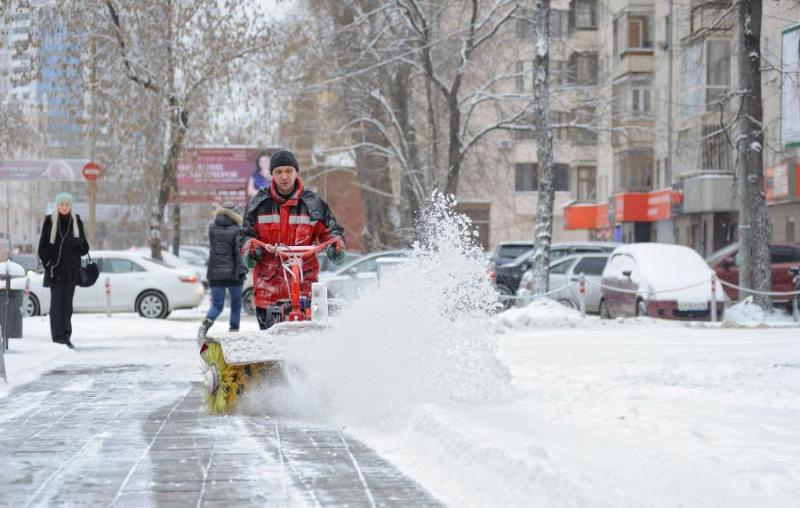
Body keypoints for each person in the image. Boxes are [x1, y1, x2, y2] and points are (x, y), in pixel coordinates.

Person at [241, 149, 347, 330]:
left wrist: (335, 246)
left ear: (296, 171)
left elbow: (331, 230)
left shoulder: (312, 203)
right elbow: (246, 235)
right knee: (271, 346)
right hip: (269, 292)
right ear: (272, 174)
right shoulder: (259, 203)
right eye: (278, 172)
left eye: (288, 171)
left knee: (306, 344)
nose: (284, 176)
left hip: (305, 288)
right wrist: (250, 250)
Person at [37, 192, 89, 349]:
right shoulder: (49, 221)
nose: (64, 207)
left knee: (67, 305)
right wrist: (49, 265)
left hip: (71, 272)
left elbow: (85, 249)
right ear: (57, 206)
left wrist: (77, 242)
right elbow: (42, 249)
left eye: (67, 204)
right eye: (62, 204)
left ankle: (66, 336)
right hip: (55, 272)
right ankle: (57, 336)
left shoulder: (76, 221)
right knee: (56, 305)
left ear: (70, 206)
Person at [198, 203, 247, 341]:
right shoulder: (238, 229)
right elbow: (238, 253)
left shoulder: (212, 228)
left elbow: (215, 249)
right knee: (236, 304)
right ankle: (233, 329)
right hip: (234, 274)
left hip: (215, 272)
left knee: (217, 305)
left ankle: (206, 324)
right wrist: (242, 270)